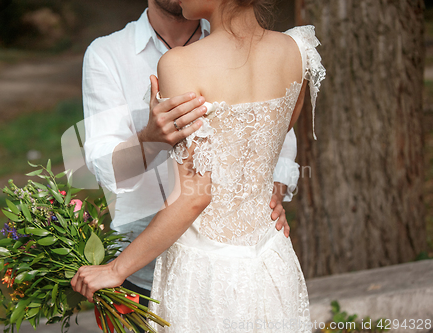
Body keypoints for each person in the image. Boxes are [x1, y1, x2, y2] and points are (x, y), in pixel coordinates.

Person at [79, 0, 301, 305]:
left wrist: (265, 194)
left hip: (243, 261)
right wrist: (150, 139)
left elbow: (277, 135)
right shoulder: (107, 54)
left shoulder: (249, 44)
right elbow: (105, 169)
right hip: (141, 273)